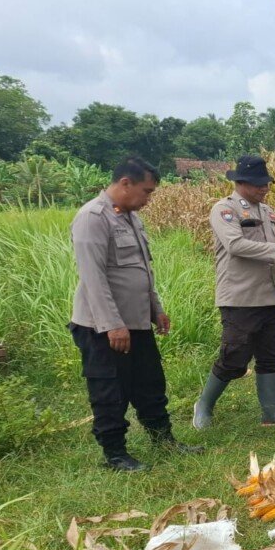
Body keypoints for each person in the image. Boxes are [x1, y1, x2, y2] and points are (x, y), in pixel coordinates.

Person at [69, 157, 202, 471]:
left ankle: (163, 439)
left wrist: (156, 309)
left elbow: (141, 270)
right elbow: (93, 277)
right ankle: (115, 454)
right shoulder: (92, 217)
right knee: (110, 390)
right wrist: (112, 324)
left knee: (150, 384)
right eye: (146, 191)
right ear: (125, 183)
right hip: (102, 326)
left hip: (137, 321)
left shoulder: (129, 217)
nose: (148, 198)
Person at [191, 154, 275, 429]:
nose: (264, 188)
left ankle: (271, 411)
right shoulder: (224, 210)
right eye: (258, 184)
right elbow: (236, 245)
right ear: (240, 182)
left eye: (266, 183)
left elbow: (268, 248)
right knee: (234, 356)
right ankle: (203, 405)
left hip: (268, 294)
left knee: (271, 352)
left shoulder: (267, 212)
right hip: (240, 296)